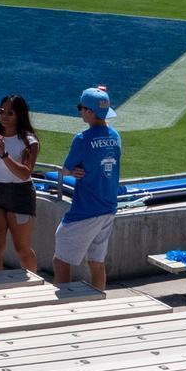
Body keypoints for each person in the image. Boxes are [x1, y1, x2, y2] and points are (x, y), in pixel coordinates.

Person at [53, 87, 123, 293]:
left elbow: (65, 170)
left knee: (61, 261)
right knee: (96, 262)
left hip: (85, 209)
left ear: (90, 112)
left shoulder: (82, 139)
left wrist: (72, 170)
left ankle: (64, 306)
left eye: (81, 108)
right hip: (108, 208)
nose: (80, 112)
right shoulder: (116, 136)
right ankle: (98, 301)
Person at [0, 94, 39, 274]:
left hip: (19, 194)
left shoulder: (29, 141)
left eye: (10, 113)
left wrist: (5, 154)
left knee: (22, 249)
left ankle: (34, 288)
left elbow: (25, 173)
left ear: (20, 115)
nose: (4, 116)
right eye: (2, 111)